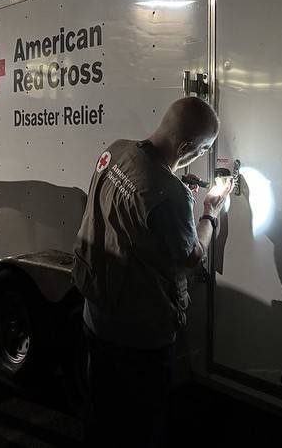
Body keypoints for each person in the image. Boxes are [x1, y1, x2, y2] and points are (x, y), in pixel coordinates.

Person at [72, 97, 231, 446]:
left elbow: (133, 205)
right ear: (186, 146)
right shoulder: (170, 195)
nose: (203, 156)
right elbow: (191, 256)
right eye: (203, 150)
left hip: (96, 309)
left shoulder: (116, 150)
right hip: (137, 331)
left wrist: (172, 183)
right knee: (141, 423)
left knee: (100, 411)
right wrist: (209, 213)